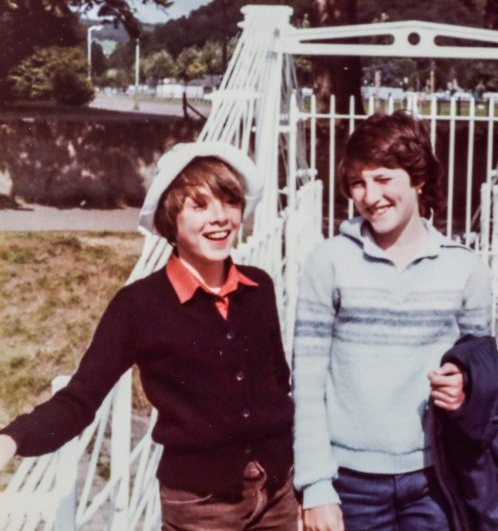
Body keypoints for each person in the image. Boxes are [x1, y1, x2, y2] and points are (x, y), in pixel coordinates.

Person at [0, 142, 297, 530]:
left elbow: (280, 387)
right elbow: (80, 398)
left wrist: (301, 482)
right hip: (201, 507)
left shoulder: (260, 287)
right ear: (171, 218)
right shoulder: (138, 305)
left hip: (279, 494)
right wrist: (12, 439)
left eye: (230, 202)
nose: (220, 217)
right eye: (200, 205)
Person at [292, 111, 492, 531]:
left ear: (418, 178)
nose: (369, 196)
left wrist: (466, 383)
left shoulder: (465, 268)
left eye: (384, 179)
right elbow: (307, 383)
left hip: (435, 479)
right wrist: (315, 485)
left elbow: (485, 370)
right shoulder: (328, 261)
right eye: (358, 183)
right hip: (348, 483)